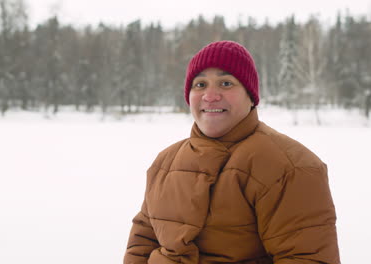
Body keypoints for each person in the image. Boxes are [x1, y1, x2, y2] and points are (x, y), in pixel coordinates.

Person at [123, 41, 340, 264]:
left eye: (226, 83)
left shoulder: (289, 165)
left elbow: (307, 258)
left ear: (251, 95)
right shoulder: (165, 162)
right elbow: (142, 243)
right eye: (200, 85)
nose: (210, 95)